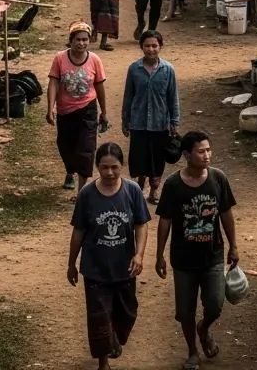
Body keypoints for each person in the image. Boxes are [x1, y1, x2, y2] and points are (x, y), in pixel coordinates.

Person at [155, 131, 239, 370]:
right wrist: (159, 254)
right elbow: (165, 221)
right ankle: (192, 351)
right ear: (187, 155)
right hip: (182, 259)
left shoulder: (218, 179)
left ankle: (204, 328)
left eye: (209, 150)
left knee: (215, 303)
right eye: (201, 151)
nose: (207, 155)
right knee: (185, 311)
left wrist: (233, 246)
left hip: (213, 256)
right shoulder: (173, 185)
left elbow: (225, 213)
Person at [68, 141, 149, 370]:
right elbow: (79, 230)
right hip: (95, 269)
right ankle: (103, 363)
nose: (110, 172)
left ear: (121, 166)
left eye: (114, 167)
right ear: (97, 167)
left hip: (124, 268)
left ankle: (116, 336)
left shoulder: (132, 191)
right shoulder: (87, 194)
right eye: (104, 167)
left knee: (127, 313)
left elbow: (141, 224)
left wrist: (139, 255)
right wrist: (71, 263)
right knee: (98, 318)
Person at [47, 22, 109, 193]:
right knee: (65, 145)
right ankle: (69, 171)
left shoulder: (95, 60)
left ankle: (82, 190)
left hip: (87, 108)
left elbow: (99, 86)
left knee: (86, 148)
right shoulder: (60, 58)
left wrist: (104, 112)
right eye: (78, 40)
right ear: (71, 40)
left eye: (85, 40)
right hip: (65, 110)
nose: (81, 43)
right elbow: (53, 83)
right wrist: (50, 108)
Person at [122, 31, 180, 202]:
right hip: (138, 123)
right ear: (141, 47)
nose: (151, 49)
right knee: (139, 158)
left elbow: (172, 97)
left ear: (160, 47)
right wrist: (125, 120)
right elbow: (128, 96)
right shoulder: (134, 69)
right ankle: (139, 186)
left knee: (157, 159)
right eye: (147, 45)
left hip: (160, 123)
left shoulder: (168, 70)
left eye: (154, 45)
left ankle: (154, 190)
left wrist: (174, 121)